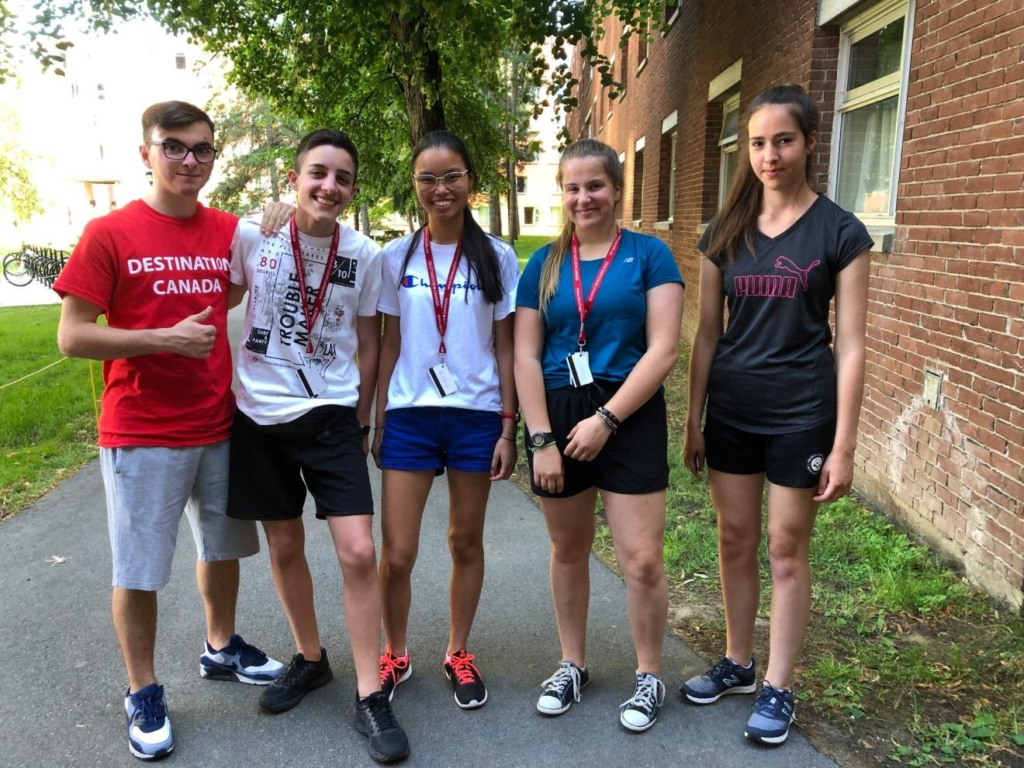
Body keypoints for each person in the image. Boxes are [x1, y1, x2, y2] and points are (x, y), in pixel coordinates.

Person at [54, 101, 284, 762]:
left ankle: (221, 646)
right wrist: (161, 339)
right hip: (142, 432)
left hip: (218, 421)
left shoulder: (224, 230)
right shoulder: (110, 233)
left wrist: (275, 219)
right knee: (140, 571)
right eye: (174, 147)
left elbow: (235, 291)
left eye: (202, 149)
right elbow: (72, 335)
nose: (189, 160)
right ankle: (143, 688)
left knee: (223, 548)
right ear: (145, 153)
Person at [681, 84, 872, 745]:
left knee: (786, 552)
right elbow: (706, 333)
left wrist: (844, 446)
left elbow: (850, 344)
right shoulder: (725, 231)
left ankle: (780, 686)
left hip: (802, 413)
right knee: (734, 540)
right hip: (733, 409)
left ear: (810, 142)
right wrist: (694, 416)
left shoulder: (840, 231)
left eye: (783, 140)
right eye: (757, 143)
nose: (769, 154)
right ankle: (738, 662)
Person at [227, 128, 409, 763]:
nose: (330, 185)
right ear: (294, 177)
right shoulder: (254, 235)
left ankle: (369, 693)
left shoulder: (365, 253)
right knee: (283, 544)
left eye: (343, 178)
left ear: (352, 190)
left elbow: (369, 342)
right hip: (257, 414)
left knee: (359, 552)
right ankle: (311, 658)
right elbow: (218, 298)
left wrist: (361, 420)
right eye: (319, 173)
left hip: (332, 416)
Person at [514, 138, 685, 732]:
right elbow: (525, 356)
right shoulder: (543, 263)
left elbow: (664, 348)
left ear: (616, 190)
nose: (583, 197)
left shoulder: (650, 255)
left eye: (595, 186)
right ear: (561, 193)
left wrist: (607, 418)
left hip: (628, 412)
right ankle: (572, 664)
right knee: (568, 549)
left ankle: (648, 674)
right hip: (558, 412)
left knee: (640, 560)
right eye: (572, 187)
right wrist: (541, 439)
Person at [373, 131, 519, 710]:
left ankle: (459, 651)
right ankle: (395, 652)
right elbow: (387, 344)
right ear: (415, 187)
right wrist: (377, 416)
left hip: (476, 417)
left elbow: (507, 348)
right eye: (428, 179)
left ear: (470, 182)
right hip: (410, 416)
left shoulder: (498, 256)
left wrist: (509, 426)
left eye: (451, 176)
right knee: (398, 552)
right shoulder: (396, 257)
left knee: (464, 540)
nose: (440, 189)